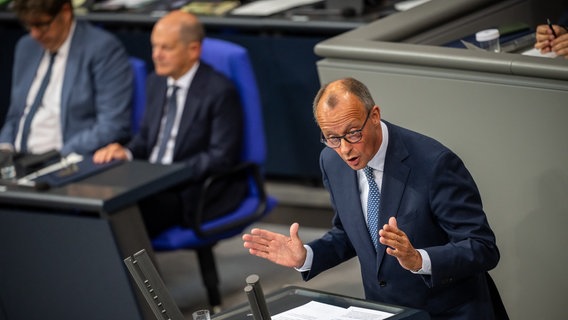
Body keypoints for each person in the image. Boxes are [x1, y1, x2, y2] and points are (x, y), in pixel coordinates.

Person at [243, 78, 507, 319]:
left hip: (449, 313)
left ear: (375, 116)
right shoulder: (331, 161)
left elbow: (482, 247)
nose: (345, 149)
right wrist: (306, 256)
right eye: (332, 138)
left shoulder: (434, 164)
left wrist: (419, 259)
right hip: (387, 312)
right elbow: (348, 233)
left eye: (353, 133)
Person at [93, 10, 246, 237]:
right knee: (96, 200)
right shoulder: (156, 81)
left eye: (166, 48)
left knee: (122, 218)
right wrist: (125, 153)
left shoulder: (219, 91)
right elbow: (146, 139)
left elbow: (220, 158)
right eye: (154, 46)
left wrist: (169, 174)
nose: (156, 55)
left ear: (193, 49)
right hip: (150, 180)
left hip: (188, 189)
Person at [0, 0, 132, 156]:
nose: (34, 34)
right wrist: (4, 148)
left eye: (42, 24)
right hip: (17, 160)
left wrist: (58, 156)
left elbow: (112, 125)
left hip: (64, 158)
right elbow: (15, 115)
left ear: (65, 11)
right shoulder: (26, 47)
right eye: (28, 25)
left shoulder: (102, 49)